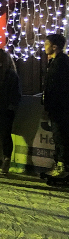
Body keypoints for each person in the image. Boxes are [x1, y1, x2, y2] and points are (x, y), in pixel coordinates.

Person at [42, 33, 69, 180]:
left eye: (46, 44)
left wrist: (51, 104)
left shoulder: (61, 63)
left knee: (61, 137)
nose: (44, 47)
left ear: (54, 47)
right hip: (56, 108)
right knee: (58, 137)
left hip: (60, 108)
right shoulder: (54, 62)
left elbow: (58, 88)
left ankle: (63, 166)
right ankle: (59, 164)